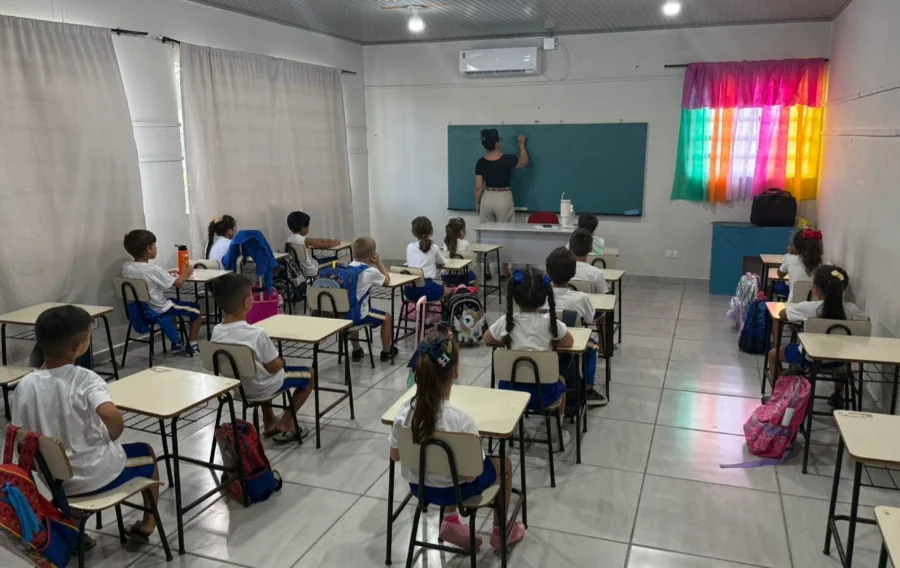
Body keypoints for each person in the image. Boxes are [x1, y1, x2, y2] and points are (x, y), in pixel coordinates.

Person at [14, 306, 161, 542]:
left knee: (72, 462)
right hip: (96, 477)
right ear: (80, 346)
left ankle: (73, 520)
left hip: (55, 482)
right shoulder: (84, 378)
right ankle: (147, 524)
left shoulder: (25, 384)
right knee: (147, 453)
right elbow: (113, 418)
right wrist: (110, 436)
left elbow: (21, 436)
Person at [389, 334, 525, 551]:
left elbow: (395, 456)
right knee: (503, 466)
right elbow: (472, 474)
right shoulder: (462, 420)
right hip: (456, 492)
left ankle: (451, 521)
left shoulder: (403, 415)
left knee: (448, 465)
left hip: (420, 487)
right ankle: (500, 531)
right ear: (455, 374)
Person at [211, 273, 315, 442]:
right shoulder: (256, 334)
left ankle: (269, 420)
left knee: (257, 369)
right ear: (247, 302)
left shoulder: (216, 331)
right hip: (262, 387)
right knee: (310, 374)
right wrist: (282, 360)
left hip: (238, 388)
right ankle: (287, 421)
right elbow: (273, 367)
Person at [484, 268, 575, 444]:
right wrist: (552, 343)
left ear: (514, 297)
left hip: (509, 391)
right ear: (545, 297)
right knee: (561, 380)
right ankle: (556, 433)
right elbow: (569, 342)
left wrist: (508, 341)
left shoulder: (506, 322)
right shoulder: (550, 322)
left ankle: (514, 428)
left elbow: (487, 338)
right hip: (544, 394)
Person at [767, 265, 867, 407]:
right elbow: (866, 321)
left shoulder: (808, 307)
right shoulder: (852, 310)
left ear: (816, 289)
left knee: (772, 354)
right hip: (839, 359)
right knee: (841, 355)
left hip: (809, 357)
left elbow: (782, 314)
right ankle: (837, 395)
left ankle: (781, 396)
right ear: (842, 289)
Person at [545, 247, 607, 407]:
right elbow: (589, 318)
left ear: (548, 272)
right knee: (592, 348)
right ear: (572, 274)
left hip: (545, 342)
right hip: (572, 344)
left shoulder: (541, 294)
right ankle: (588, 390)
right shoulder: (581, 298)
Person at [122, 229, 201, 353]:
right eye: (155, 245)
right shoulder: (153, 269)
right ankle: (193, 345)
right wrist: (185, 274)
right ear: (149, 249)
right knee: (196, 310)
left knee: (172, 304)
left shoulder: (127, 267)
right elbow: (179, 284)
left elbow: (147, 278)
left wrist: (165, 274)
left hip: (141, 310)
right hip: (159, 309)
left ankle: (176, 343)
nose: (156, 248)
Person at [475, 129, 528, 280]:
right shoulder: (508, 159)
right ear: (497, 143)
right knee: (505, 234)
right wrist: (522, 145)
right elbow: (524, 162)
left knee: (485, 234)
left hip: (487, 196)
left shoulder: (481, 162)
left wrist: (478, 203)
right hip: (503, 197)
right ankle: (505, 270)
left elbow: (478, 186)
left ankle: (486, 269)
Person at [348, 236, 398, 362]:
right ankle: (387, 351)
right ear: (372, 255)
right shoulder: (370, 271)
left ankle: (356, 350)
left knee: (351, 311)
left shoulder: (347, 267)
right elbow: (387, 280)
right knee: (387, 318)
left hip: (342, 315)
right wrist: (378, 262)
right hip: (358, 316)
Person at [405, 216, 453, 302]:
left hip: (409, 290)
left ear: (413, 233)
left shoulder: (409, 247)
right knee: (449, 291)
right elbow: (442, 262)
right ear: (431, 232)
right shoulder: (434, 247)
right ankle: (444, 314)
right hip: (426, 289)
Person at [286, 211, 341, 278]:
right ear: (303, 227)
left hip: (301, 268)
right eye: (308, 226)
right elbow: (326, 246)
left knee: (316, 257)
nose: (309, 228)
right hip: (311, 269)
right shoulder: (304, 240)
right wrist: (335, 243)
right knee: (334, 259)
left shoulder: (290, 239)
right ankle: (333, 281)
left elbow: (314, 240)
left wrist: (325, 240)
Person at [777, 228, 824, 303]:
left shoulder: (789, 258)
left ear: (795, 246)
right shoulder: (824, 262)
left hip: (793, 305)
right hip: (816, 307)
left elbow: (780, 274)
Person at [569, 229, 609, 294]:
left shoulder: (561, 271)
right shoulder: (597, 273)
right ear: (591, 249)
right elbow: (604, 297)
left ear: (570, 248)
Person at [441, 217, 476, 287]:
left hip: (446, 276)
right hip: (462, 276)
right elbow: (471, 265)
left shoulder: (446, 243)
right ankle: (473, 295)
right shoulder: (466, 244)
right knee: (474, 276)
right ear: (462, 231)